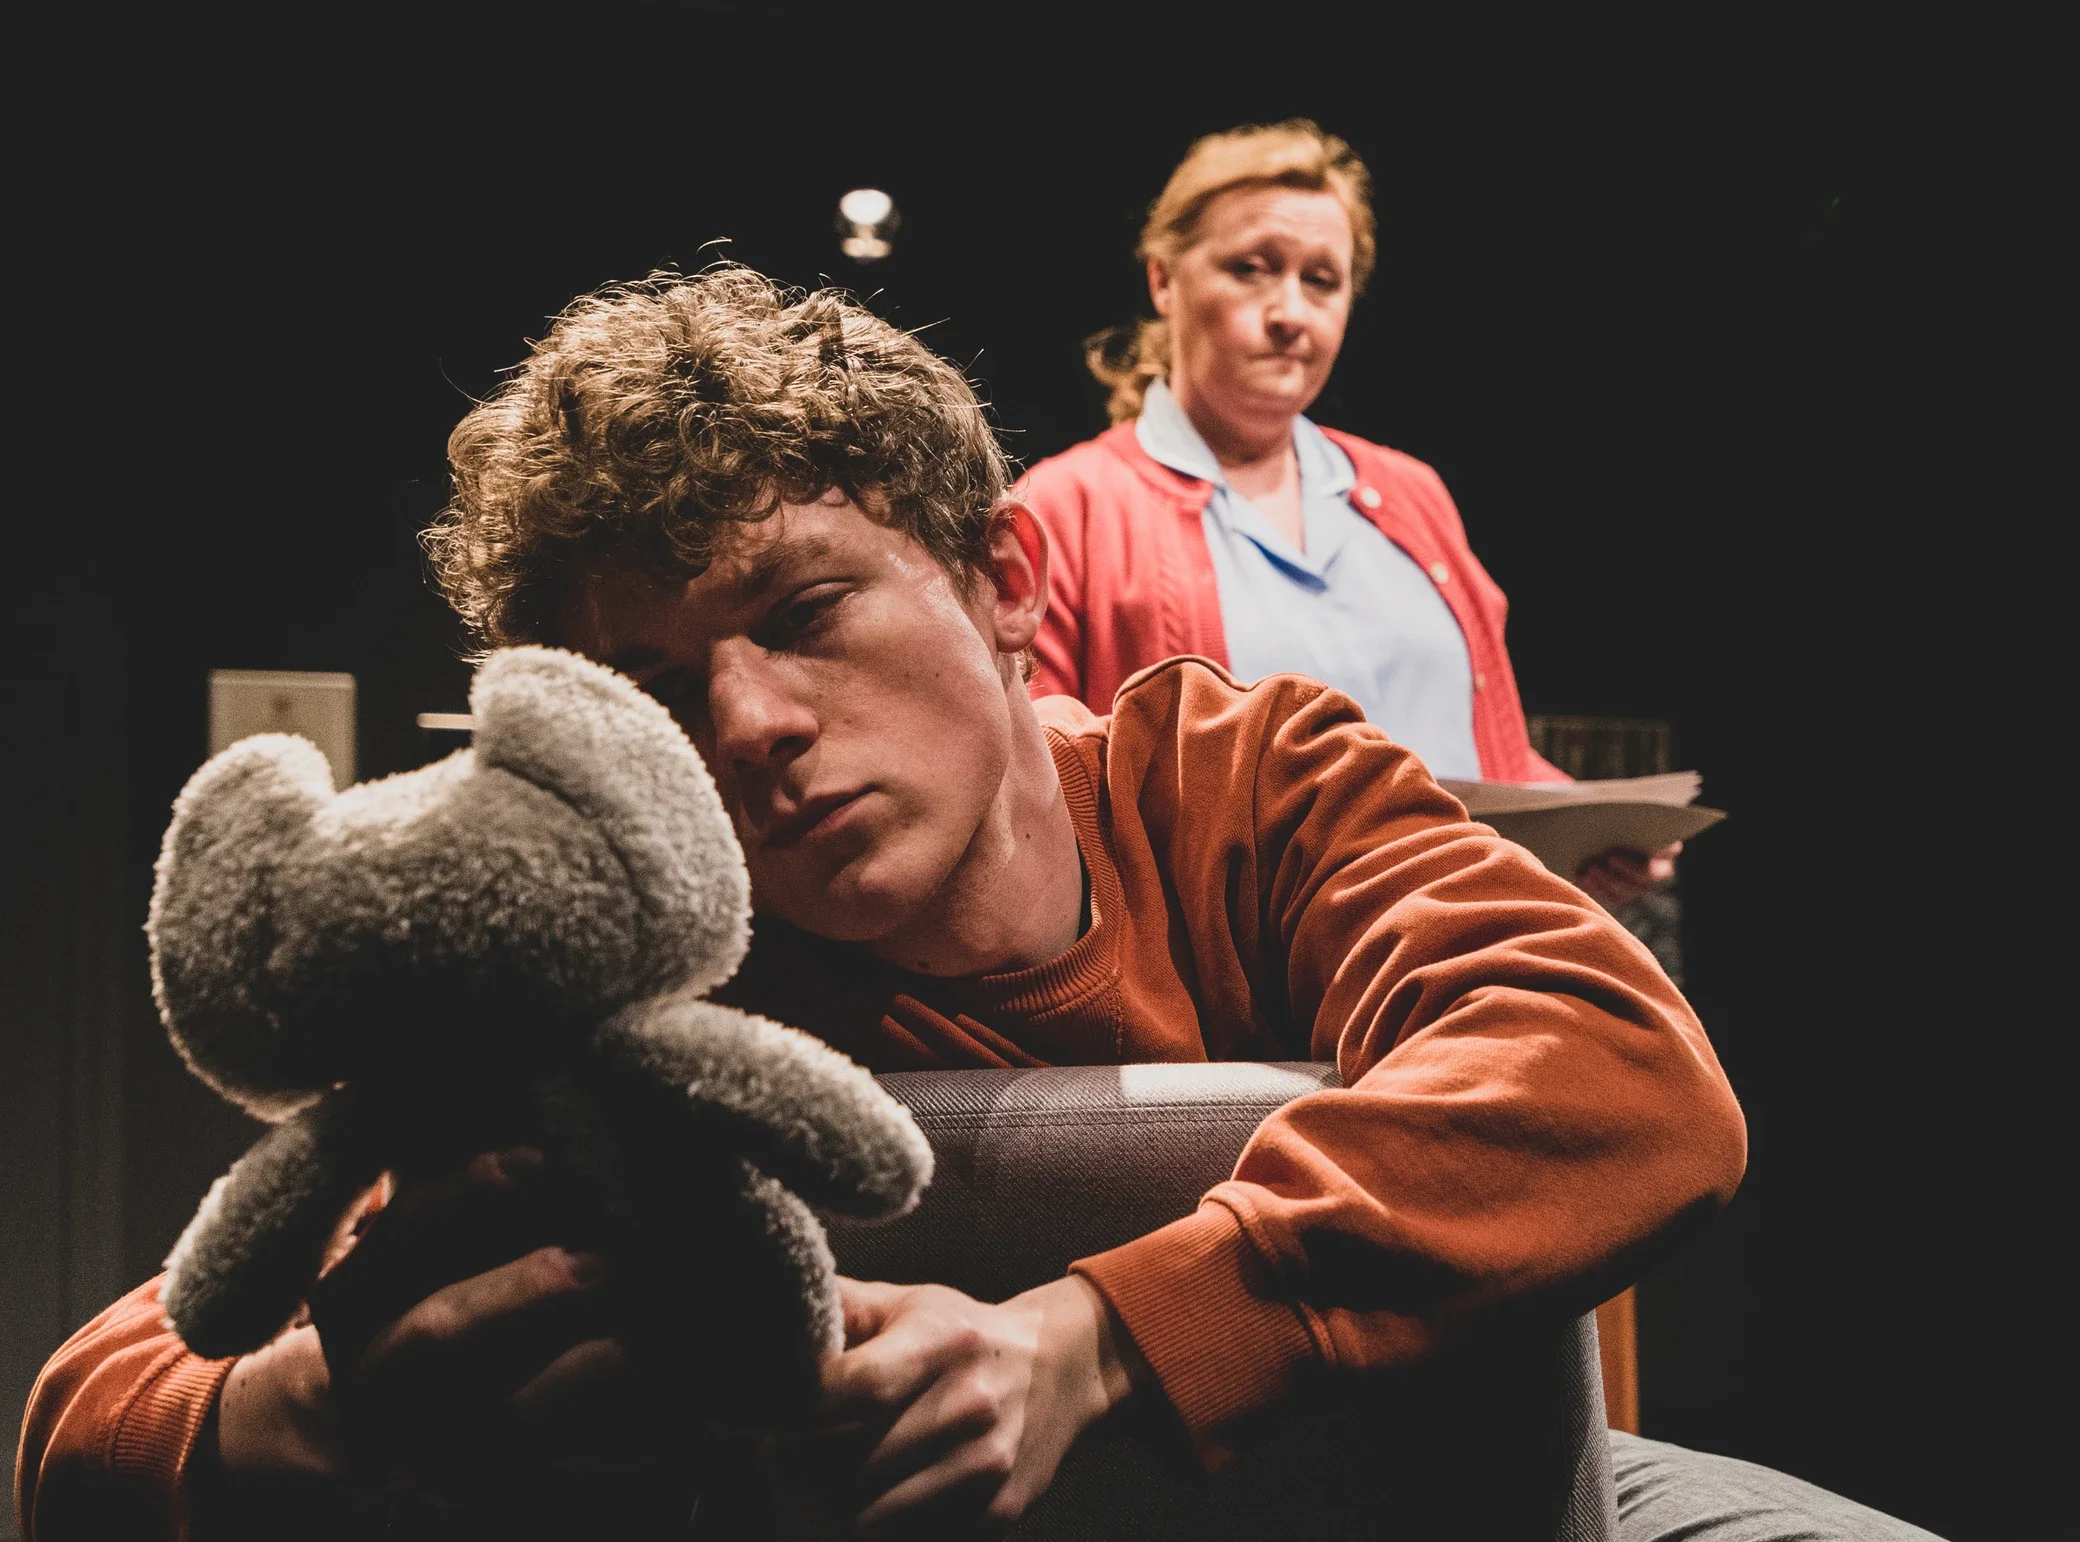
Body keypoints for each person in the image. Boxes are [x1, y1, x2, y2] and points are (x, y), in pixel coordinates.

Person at [18, 269, 1930, 1542]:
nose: (748, 723)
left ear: (1005, 583)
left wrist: (1096, 1337)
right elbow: (86, 1419)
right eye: (660, 684)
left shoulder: (1243, 778)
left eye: (801, 611)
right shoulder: (642, 995)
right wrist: (317, 1413)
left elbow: (1616, 1071)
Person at [1020, 120, 1675, 913]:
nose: (1290, 313)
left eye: (1322, 281)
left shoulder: (1410, 494)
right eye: (1251, 269)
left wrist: (1581, 827)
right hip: (1249, 973)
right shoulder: (1069, 506)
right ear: (1164, 279)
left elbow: (1468, 750)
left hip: (1472, 938)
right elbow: (1031, 791)